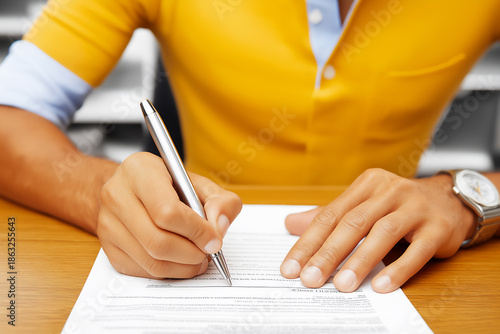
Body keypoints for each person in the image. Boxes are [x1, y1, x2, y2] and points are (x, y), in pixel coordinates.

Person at [0, 0, 499, 294]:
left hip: (396, 273)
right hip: (201, 243)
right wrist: (101, 191)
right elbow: (8, 118)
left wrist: (469, 198)